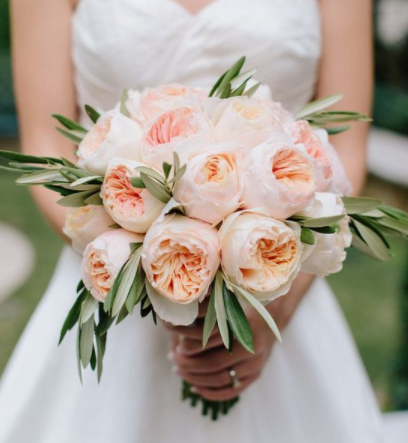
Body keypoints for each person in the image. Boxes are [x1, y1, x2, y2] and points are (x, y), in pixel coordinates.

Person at [0, 0, 393, 442]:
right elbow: (45, 143)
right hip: (115, 295)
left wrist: (271, 310)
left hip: (276, 283)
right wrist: (146, 266)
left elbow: (345, 149)